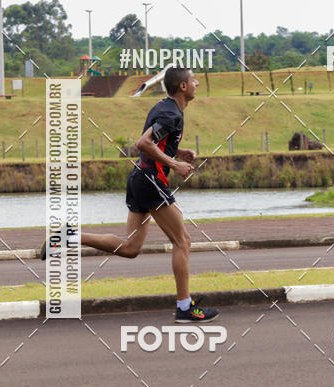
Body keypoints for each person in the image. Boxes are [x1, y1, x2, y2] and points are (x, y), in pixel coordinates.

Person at [41, 67, 219, 323]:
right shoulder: (171, 113)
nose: (197, 84)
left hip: (140, 178)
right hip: (151, 181)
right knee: (183, 242)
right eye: (193, 80)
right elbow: (143, 143)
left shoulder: (166, 107)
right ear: (183, 86)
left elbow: (155, 141)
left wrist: (178, 152)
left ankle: (70, 236)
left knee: (131, 248)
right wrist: (175, 164)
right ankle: (184, 307)